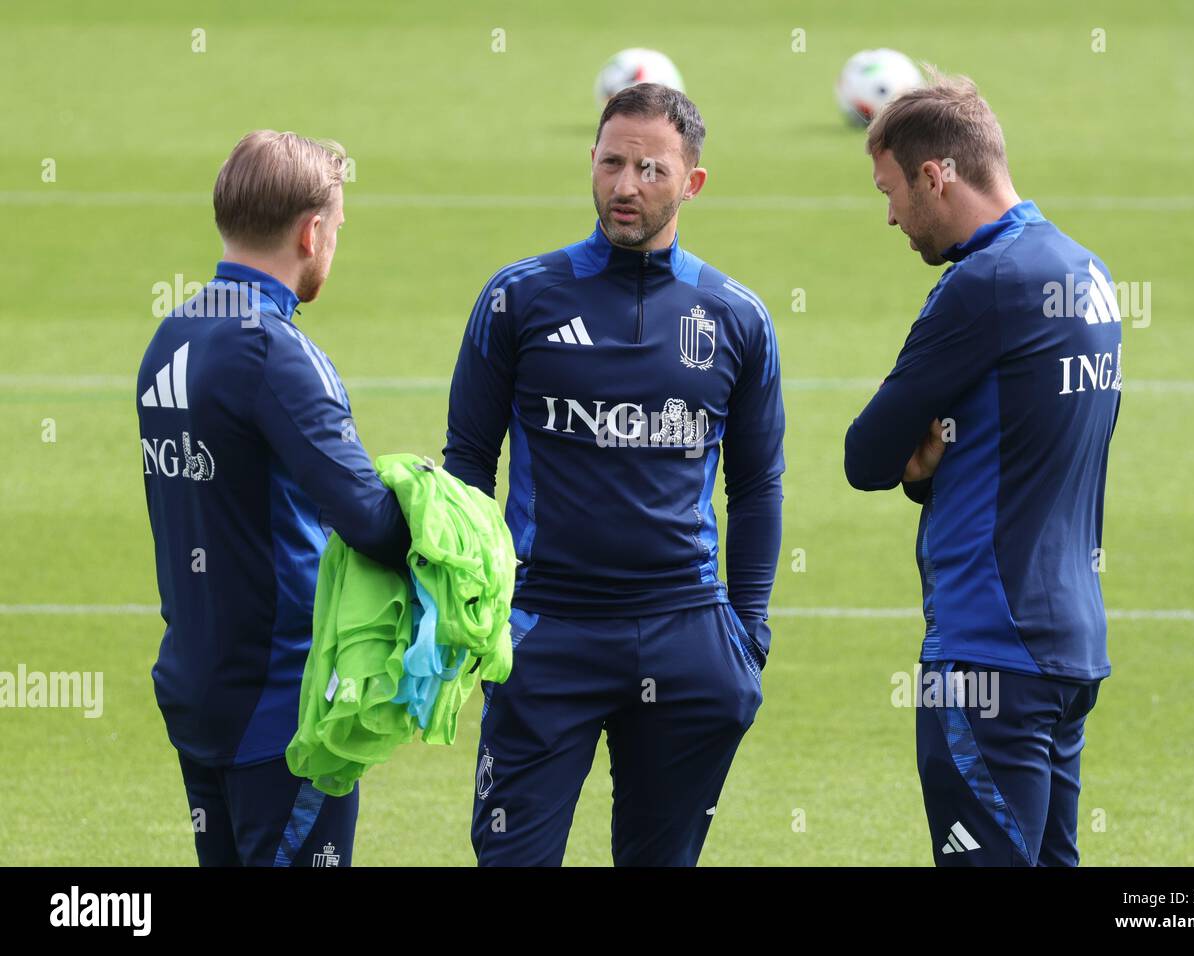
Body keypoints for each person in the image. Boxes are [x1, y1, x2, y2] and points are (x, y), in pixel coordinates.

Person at [443, 83, 785, 866]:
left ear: (692, 182)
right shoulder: (518, 299)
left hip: (685, 634)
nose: (626, 186)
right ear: (590, 163)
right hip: (546, 632)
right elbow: (467, 461)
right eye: (611, 163)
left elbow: (757, 484)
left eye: (651, 170)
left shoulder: (736, 317)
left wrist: (749, 633)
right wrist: (477, 605)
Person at [844, 73, 1121, 866]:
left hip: (985, 656)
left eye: (892, 191)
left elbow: (866, 455)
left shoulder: (984, 285)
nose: (891, 215)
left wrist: (915, 468)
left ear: (938, 175)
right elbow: (1030, 441)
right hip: (1069, 649)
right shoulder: (1086, 273)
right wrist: (934, 469)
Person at [136, 130, 410, 866]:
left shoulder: (170, 337)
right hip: (280, 706)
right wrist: (440, 514)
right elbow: (373, 523)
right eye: (338, 229)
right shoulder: (275, 351)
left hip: (199, 685)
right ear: (311, 232)